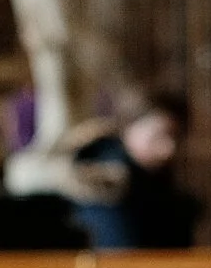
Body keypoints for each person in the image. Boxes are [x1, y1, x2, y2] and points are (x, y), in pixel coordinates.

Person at [69, 95, 200, 249]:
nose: (169, 149)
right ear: (130, 126)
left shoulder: (155, 179)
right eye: (159, 135)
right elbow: (123, 251)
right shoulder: (108, 182)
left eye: (176, 138)